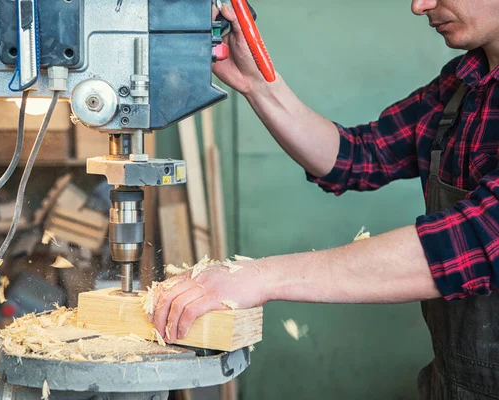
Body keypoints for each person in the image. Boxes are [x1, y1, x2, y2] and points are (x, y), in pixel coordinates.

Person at [150, 1, 499, 397]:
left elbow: (475, 240)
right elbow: (355, 156)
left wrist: (257, 276)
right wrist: (258, 85)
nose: (420, 6)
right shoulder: (463, 84)